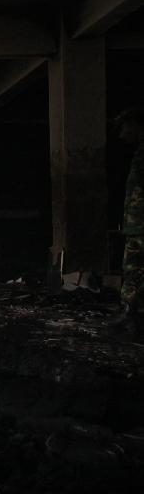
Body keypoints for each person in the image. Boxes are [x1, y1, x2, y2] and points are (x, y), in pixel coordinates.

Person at [111, 106, 144, 338]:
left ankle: (132, 316)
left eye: (125, 127)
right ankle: (131, 313)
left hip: (141, 227)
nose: (122, 134)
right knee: (134, 270)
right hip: (136, 226)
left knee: (134, 268)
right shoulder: (140, 154)